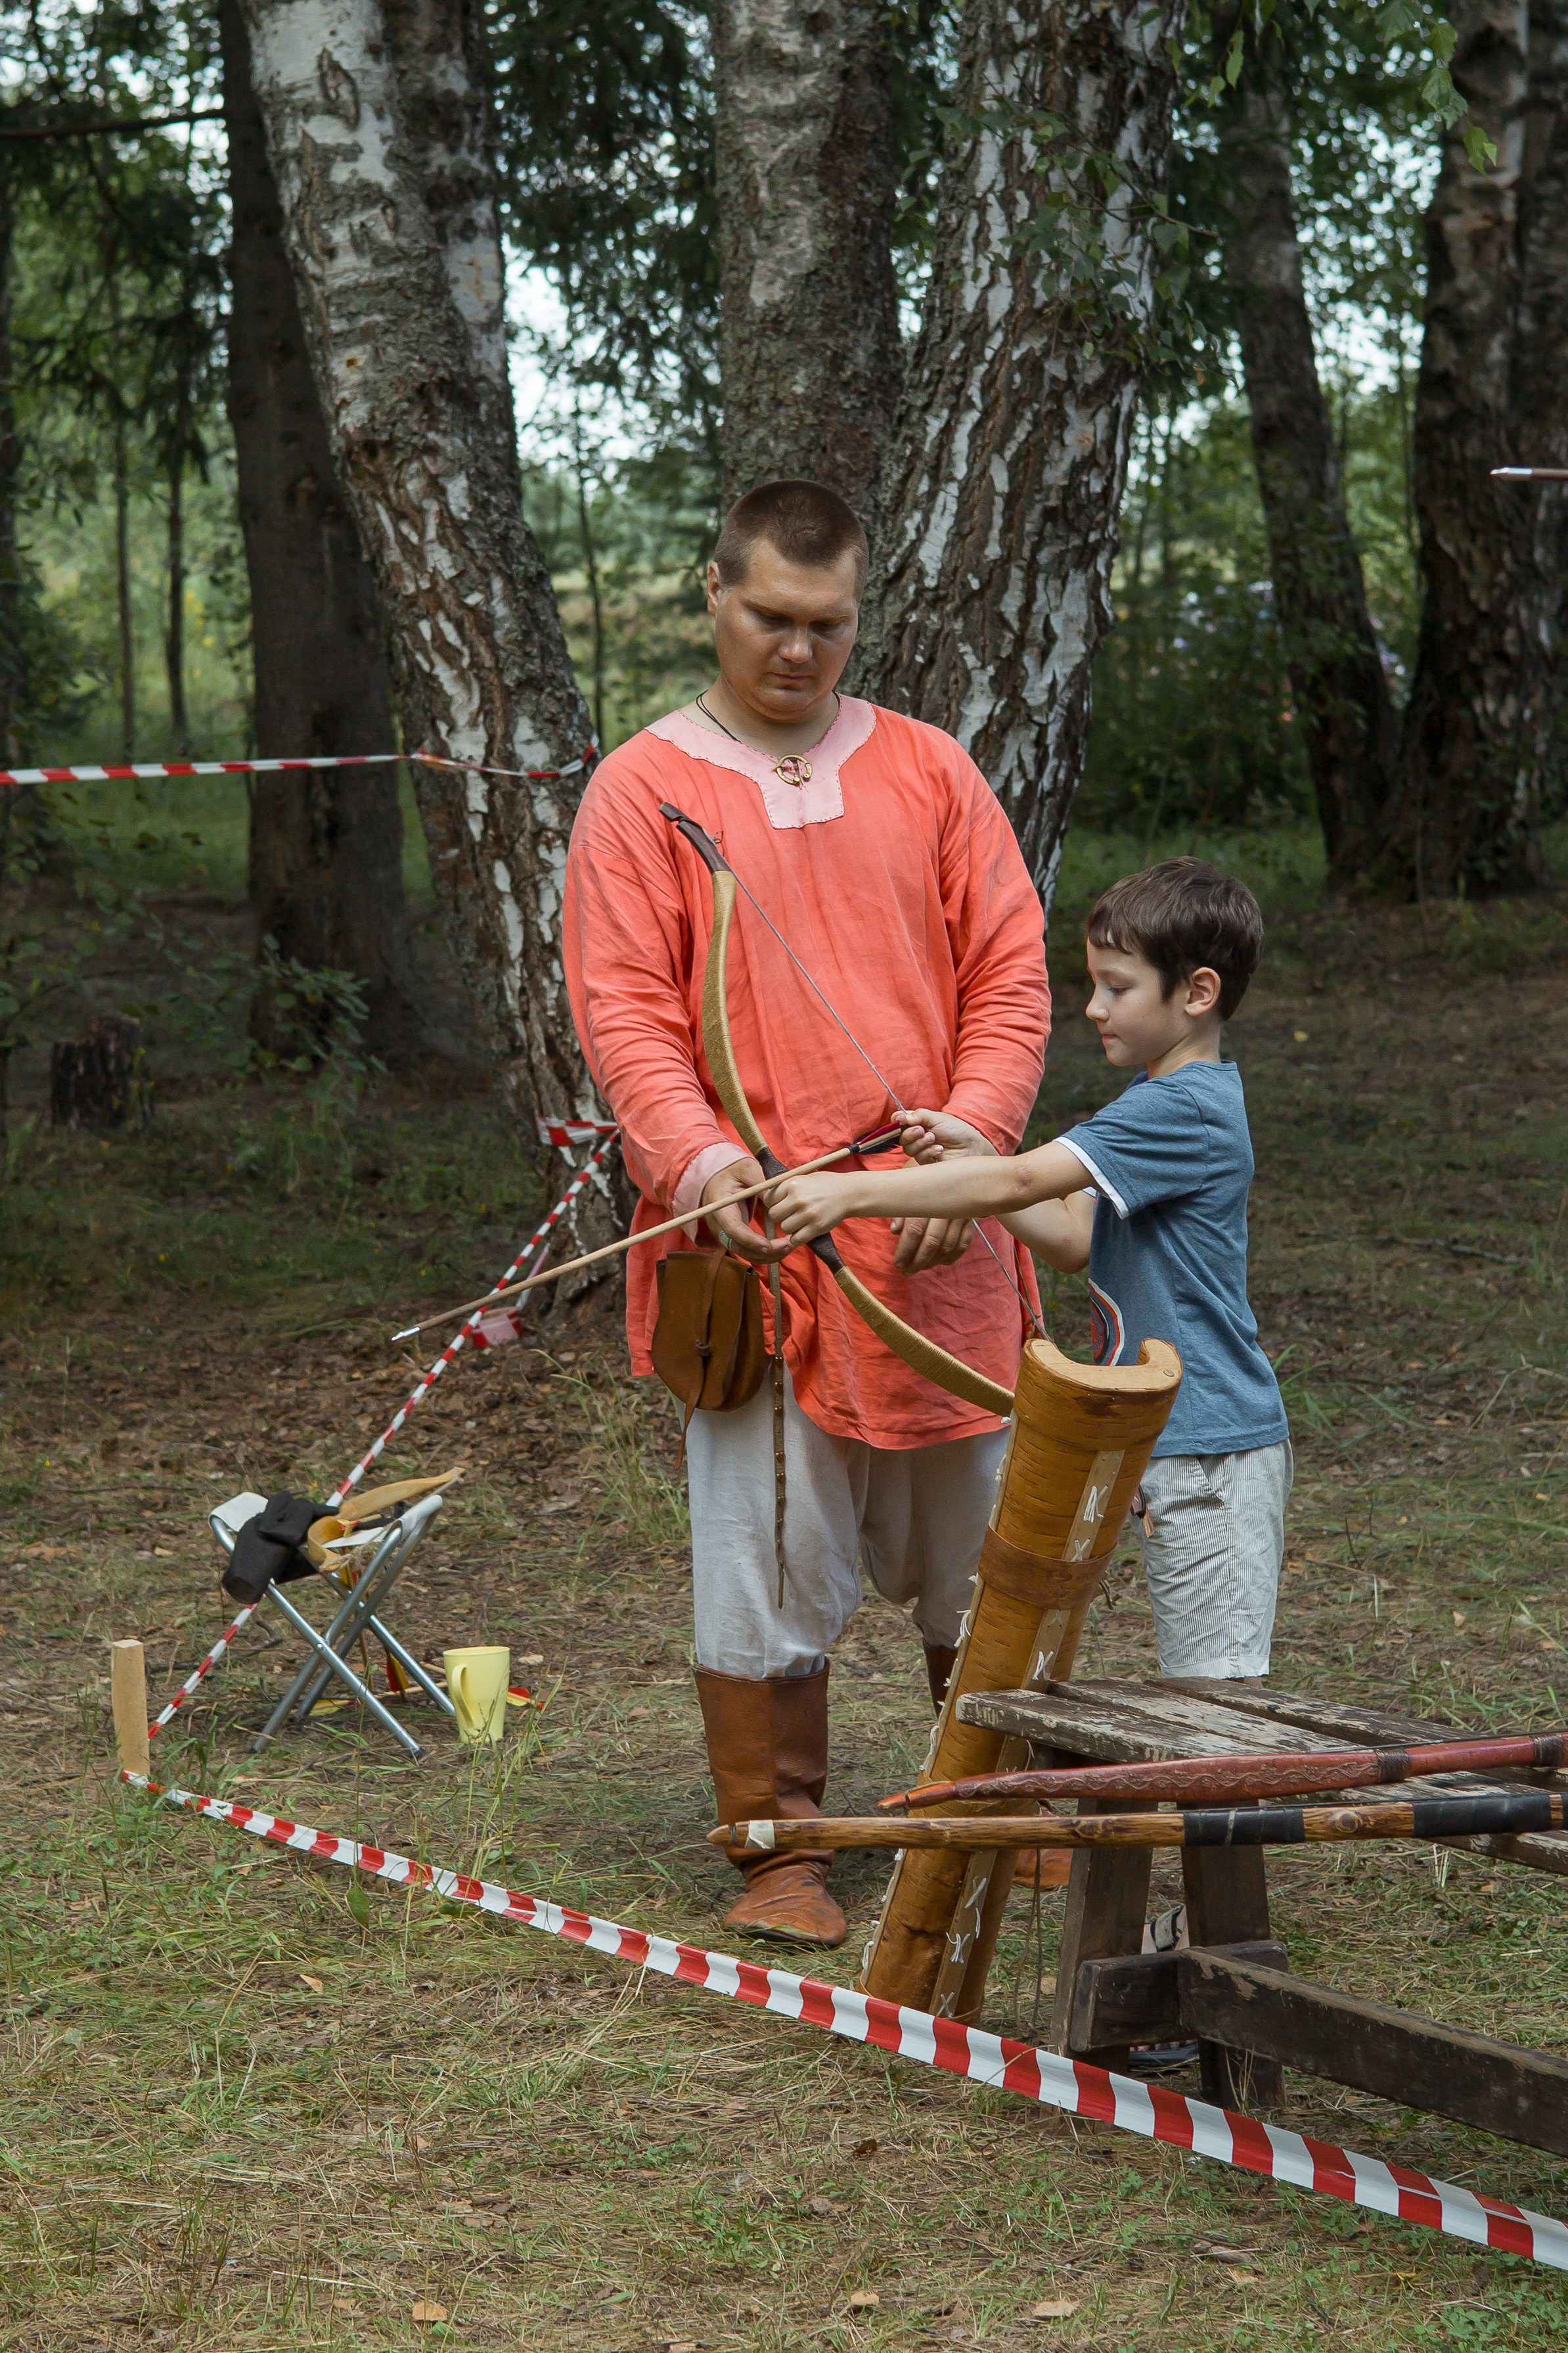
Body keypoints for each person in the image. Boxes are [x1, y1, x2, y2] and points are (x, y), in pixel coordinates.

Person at [562, 479, 1049, 1949]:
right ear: (712, 593)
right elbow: (627, 1012)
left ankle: (989, 1805)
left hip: (931, 1232)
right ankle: (779, 1844)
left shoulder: (929, 769)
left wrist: (968, 1142)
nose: (795, 649)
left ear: (856, 615)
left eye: (825, 624)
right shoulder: (638, 787)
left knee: (981, 1543)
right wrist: (703, 1167)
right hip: (757, 1241)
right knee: (765, 1549)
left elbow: (1008, 975)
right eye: (768, 616)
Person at [771, 857, 1292, 1690]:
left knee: (1217, 1688)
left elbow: (1020, 1184)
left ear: (1196, 993)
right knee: (1198, 1682)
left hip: (1211, 1446)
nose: (1092, 1007)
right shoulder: (1160, 1099)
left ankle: (1229, 1820)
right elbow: (1069, 1236)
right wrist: (982, 1154)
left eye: (1116, 987)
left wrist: (845, 1195)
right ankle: (1205, 1807)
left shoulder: (1182, 1105)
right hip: (1170, 1440)